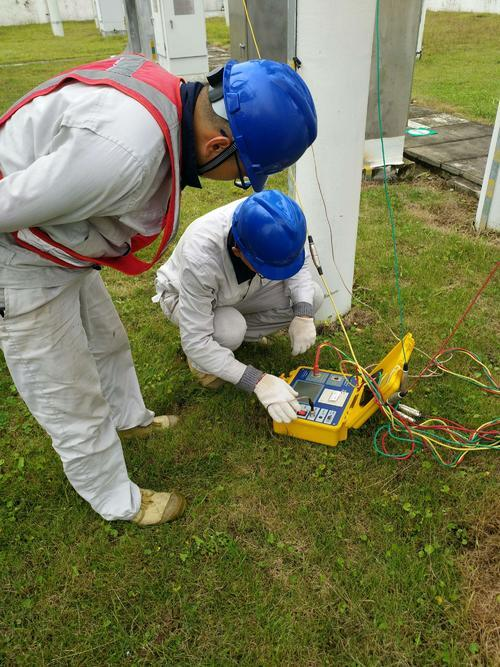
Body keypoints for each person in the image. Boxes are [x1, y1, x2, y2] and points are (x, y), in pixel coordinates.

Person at [0, 55, 317, 526]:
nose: (237, 184)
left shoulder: (166, 106)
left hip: (63, 250)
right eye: (243, 172)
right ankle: (115, 499)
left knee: (109, 343)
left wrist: (304, 310)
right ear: (217, 145)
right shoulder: (122, 158)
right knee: (70, 393)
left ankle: (131, 419)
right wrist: (258, 380)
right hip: (20, 262)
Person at [154, 190, 324, 423]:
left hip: (241, 290)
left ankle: (234, 342)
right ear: (237, 251)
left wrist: (304, 314)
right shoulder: (201, 258)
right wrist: (258, 381)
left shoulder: (285, 221)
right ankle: (203, 363)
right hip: (183, 296)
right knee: (229, 329)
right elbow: (196, 340)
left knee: (312, 296)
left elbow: (297, 262)